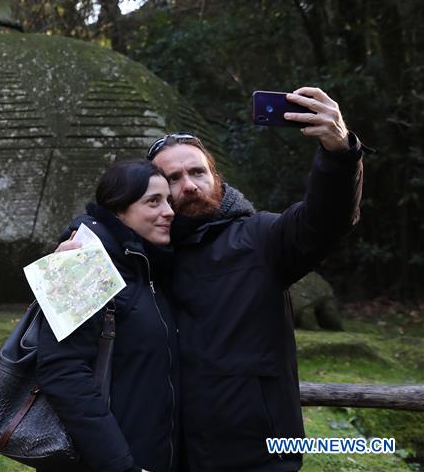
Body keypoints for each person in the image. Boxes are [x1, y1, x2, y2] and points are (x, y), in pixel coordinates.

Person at [146, 87, 365, 471]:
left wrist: (341, 154)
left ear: (217, 178)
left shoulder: (261, 236)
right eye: (174, 178)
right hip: (169, 453)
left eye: (198, 172)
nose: (190, 186)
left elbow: (325, 220)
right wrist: (78, 234)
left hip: (258, 453)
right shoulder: (143, 253)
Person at [37, 159, 180, 472]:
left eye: (169, 200)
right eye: (153, 201)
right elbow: (63, 372)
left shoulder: (149, 267)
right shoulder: (78, 262)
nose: (168, 211)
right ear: (119, 211)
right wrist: (119, 465)